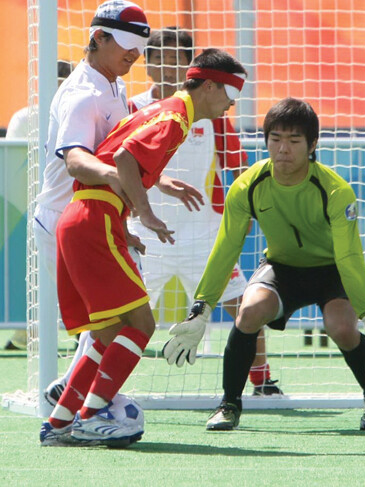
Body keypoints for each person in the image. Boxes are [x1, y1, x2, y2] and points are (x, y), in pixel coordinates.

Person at [40, 47, 247, 447]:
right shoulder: (174, 116)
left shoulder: (167, 110)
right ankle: (93, 415)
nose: (230, 106)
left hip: (86, 218)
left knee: (107, 334)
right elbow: (123, 158)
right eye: (230, 96)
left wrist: (125, 224)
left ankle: (60, 421)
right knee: (142, 326)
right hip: (94, 219)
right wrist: (147, 214)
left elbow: (117, 157)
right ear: (208, 86)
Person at [163, 97, 365, 431]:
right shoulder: (247, 185)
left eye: (294, 141)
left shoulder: (335, 191)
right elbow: (227, 247)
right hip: (281, 268)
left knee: (342, 329)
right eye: (275, 139)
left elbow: (348, 258)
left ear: (313, 145)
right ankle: (229, 404)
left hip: (330, 271)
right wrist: (202, 307)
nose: (283, 149)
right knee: (248, 312)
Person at [127, 27, 281, 395]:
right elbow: (120, 163)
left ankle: (262, 381)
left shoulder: (212, 114)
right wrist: (157, 185)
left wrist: (250, 213)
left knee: (245, 309)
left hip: (203, 237)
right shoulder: (133, 108)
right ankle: (90, 384)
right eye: (158, 57)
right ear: (147, 65)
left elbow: (239, 170)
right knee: (122, 313)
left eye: (174, 58)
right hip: (147, 235)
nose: (165, 65)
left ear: (188, 68)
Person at [33, 0, 152, 407]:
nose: (133, 54)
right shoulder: (84, 94)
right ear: (97, 38)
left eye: (139, 46)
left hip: (92, 218)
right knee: (119, 321)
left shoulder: (113, 85)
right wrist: (115, 178)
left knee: (110, 322)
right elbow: (76, 160)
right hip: (68, 219)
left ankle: (72, 402)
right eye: (124, 44)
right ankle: (83, 406)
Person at [2, 60, 75, 351]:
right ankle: (23, 333)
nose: (57, 87)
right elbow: (13, 166)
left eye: (62, 81)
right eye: (52, 81)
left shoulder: (78, 114)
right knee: (29, 272)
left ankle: (80, 333)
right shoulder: (23, 118)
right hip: (27, 211)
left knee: (68, 273)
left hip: (69, 207)